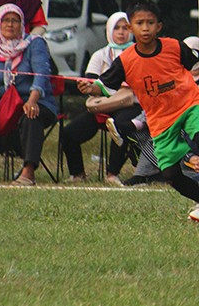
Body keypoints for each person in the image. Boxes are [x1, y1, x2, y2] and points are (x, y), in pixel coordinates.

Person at [78, 1, 199, 222]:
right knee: (170, 175)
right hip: (160, 119)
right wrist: (89, 87)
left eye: (150, 23)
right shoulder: (126, 61)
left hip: (188, 105)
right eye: (140, 23)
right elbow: (103, 86)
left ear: (159, 26)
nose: (145, 28)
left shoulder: (174, 47)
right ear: (130, 28)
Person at [58, 12, 144, 183]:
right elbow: (91, 83)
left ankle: (112, 174)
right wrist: (88, 87)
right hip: (104, 105)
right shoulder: (100, 55)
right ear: (109, 30)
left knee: (120, 127)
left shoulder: (139, 53)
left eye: (125, 28)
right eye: (116, 28)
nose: (121, 32)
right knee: (68, 133)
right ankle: (77, 174)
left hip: (130, 104)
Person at [0, 4, 56, 185]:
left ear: (22, 24)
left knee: (31, 116)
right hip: (5, 109)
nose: (10, 25)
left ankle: (28, 171)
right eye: (5, 20)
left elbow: (41, 74)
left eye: (15, 20)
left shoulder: (34, 44)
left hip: (38, 103)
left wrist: (32, 100)